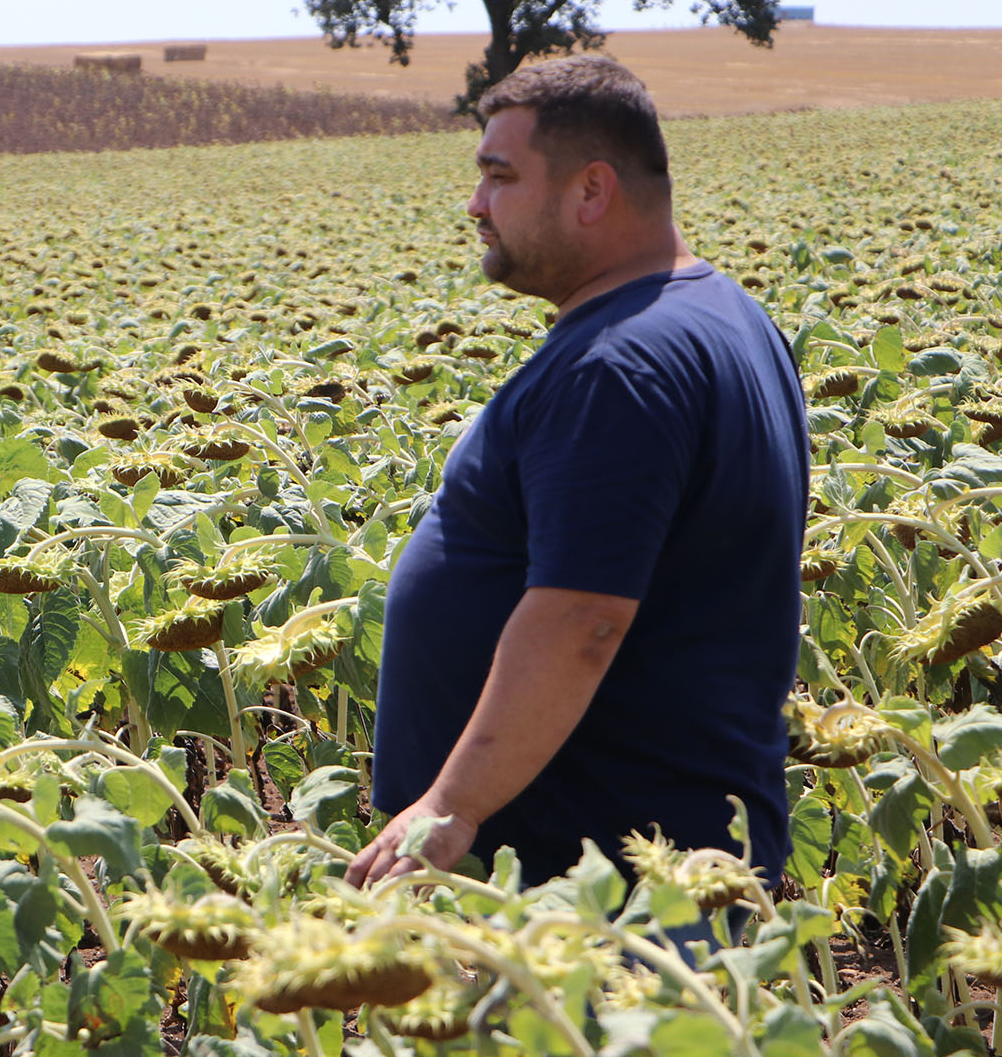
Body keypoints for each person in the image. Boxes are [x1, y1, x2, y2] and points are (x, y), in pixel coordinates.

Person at [347, 56, 809, 894]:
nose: (476, 205)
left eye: (499, 176)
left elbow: (583, 616)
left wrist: (450, 806)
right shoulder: (722, 316)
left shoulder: (617, 367)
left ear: (591, 191)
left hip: (614, 863)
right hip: (664, 831)